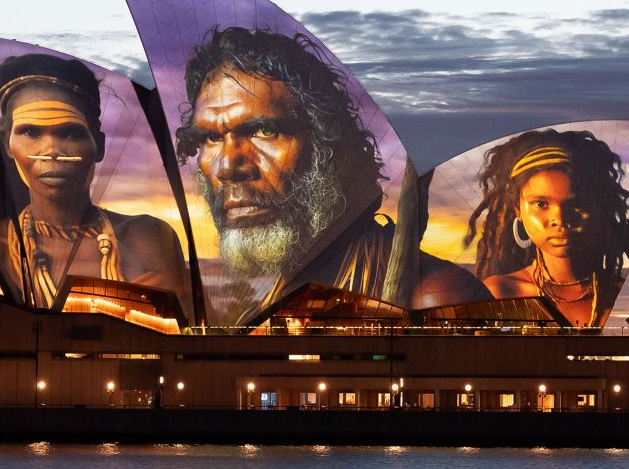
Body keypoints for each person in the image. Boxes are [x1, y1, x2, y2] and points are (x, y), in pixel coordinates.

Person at [174, 26, 486, 318]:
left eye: (265, 130)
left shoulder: (435, 297)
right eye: (211, 138)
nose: (228, 166)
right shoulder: (275, 302)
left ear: (328, 144)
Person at [0, 53, 191, 314]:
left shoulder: (148, 238)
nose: (52, 150)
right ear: (7, 142)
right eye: (31, 132)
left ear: (98, 145)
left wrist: (182, 304)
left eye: (70, 132)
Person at [465, 128, 629, 327]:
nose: (560, 219)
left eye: (577, 204)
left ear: (599, 208)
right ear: (518, 209)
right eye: (541, 204)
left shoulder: (624, 296)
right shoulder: (500, 293)